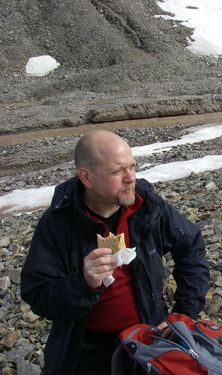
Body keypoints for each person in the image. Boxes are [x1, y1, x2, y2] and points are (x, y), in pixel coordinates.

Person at [20, 130, 210, 375]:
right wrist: (84, 282)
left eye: (132, 166)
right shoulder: (58, 223)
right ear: (86, 177)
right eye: (117, 171)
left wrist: (184, 313)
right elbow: (37, 294)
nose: (131, 178)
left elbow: (191, 245)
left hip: (150, 334)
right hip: (86, 346)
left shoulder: (147, 205)